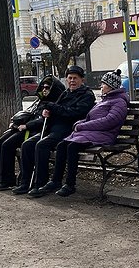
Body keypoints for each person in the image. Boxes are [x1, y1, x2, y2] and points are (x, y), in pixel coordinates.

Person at [30, 69, 129, 197]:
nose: (101, 86)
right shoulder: (106, 100)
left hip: (104, 134)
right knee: (62, 145)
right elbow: (91, 117)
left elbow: (109, 121)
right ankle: (56, 181)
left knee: (72, 146)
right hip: (93, 132)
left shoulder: (118, 102)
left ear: (110, 87)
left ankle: (70, 184)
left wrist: (82, 125)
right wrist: (81, 123)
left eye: (103, 84)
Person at [11, 65, 96, 195]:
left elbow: (75, 113)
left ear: (82, 80)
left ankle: (40, 184)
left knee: (42, 145)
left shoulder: (87, 95)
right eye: (70, 78)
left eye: (75, 78)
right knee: (27, 145)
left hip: (68, 129)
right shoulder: (66, 93)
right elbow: (55, 108)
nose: (72, 81)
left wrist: (53, 108)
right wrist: (48, 112)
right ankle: (25, 182)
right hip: (52, 127)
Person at [0, 75, 65, 190]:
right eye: (43, 87)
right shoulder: (39, 101)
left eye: (48, 88)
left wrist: (26, 125)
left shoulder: (55, 102)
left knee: (7, 145)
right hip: (24, 127)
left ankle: (7, 180)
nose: (44, 90)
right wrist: (16, 123)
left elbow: (43, 121)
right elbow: (30, 113)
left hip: (33, 131)